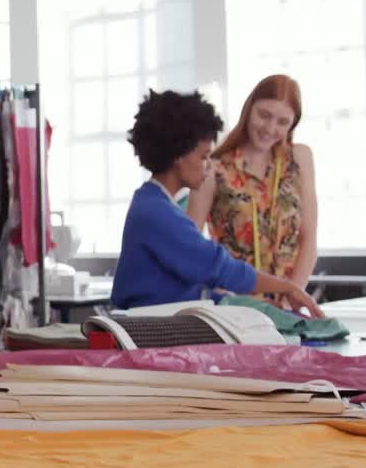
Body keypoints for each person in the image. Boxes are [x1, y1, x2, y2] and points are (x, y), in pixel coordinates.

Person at [110, 89, 322, 317]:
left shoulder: (155, 203)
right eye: (204, 157)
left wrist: (259, 305)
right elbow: (218, 268)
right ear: (179, 156)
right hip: (150, 333)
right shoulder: (155, 212)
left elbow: (191, 290)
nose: (209, 166)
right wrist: (286, 287)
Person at [187, 75, 317, 309]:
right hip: (232, 306)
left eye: (282, 122)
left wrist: (290, 300)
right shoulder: (214, 168)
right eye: (264, 115)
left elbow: (308, 238)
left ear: (293, 124)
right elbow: (189, 246)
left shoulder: (300, 159)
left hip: (287, 308)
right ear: (248, 109)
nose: (270, 128)